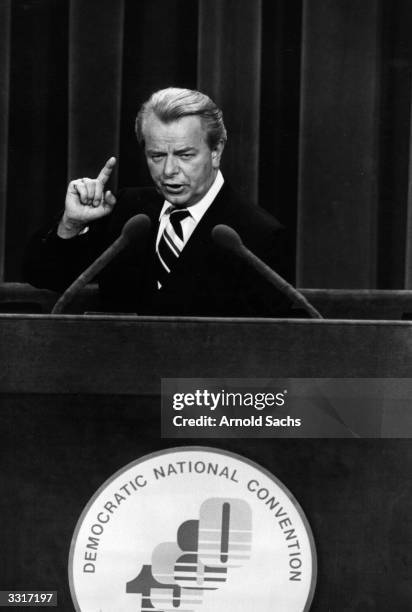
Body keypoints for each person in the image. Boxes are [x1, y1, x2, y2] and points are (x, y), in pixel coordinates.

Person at [24, 87, 296, 317]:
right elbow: (45, 277)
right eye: (156, 156)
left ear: (216, 151)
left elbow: (267, 350)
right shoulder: (129, 211)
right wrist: (71, 224)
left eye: (184, 155)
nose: (168, 171)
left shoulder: (259, 235)